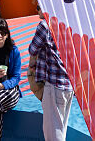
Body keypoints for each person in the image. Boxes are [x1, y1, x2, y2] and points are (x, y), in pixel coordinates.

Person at [29, 12, 73, 141]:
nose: (36, 10)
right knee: (60, 129)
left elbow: (33, 49)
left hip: (54, 84)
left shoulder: (45, 25)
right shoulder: (67, 21)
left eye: (38, 6)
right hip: (68, 83)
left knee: (52, 132)